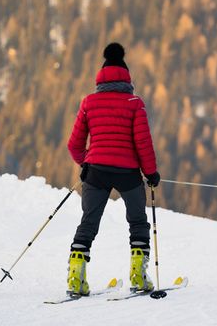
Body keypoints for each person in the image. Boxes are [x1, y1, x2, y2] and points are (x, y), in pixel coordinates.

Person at [65, 42, 161, 296]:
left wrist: (86, 162)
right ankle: (139, 275)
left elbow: (74, 144)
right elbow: (143, 143)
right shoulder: (134, 103)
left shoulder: (89, 102)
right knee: (138, 221)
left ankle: (76, 277)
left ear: (101, 77)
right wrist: (150, 173)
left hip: (95, 170)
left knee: (88, 222)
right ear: (127, 77)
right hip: (128, 173)